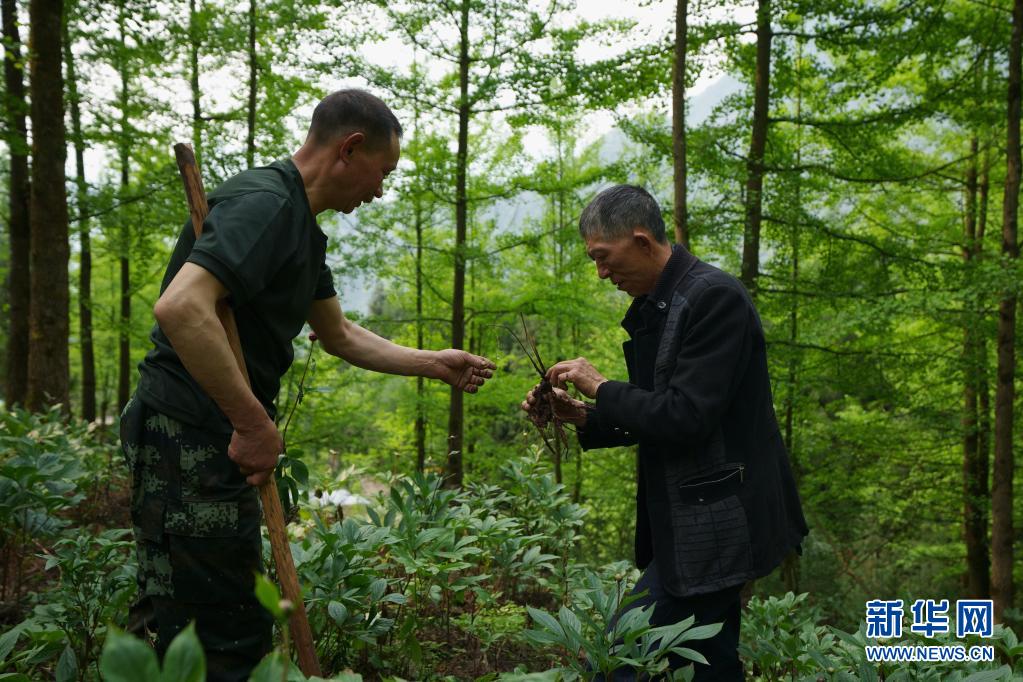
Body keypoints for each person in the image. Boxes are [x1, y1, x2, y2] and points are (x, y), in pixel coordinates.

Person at [120, 89, 496, 681]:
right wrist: (252, 423)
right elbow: (181, 308)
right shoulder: (266, 205)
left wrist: (433, 363)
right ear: (350, 148)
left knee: (179, 615)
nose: (380, 191)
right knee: (220, 634)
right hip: (188, 437)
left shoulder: (300, 224)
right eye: (383, 172)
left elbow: (338, 333)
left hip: (210, 439)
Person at [522, 184, 807, 680]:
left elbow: (685, 417)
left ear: (641, 240)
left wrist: (600, 386)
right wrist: (584, 416)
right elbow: (657, 414)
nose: (601, 273)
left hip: (719, 525)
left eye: (603, 257)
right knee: (709, 665)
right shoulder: (662, 303)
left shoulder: (714, 298)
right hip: (689, 526)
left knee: (616, 658)